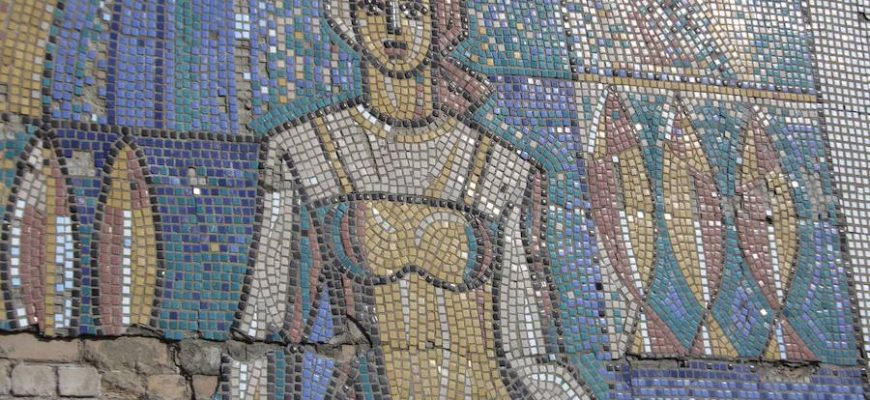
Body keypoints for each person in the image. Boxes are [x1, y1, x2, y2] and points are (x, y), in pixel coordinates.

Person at [234, 0, 591, 398]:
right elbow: (265, 318)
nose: (394, 26)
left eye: (413, 11)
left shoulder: (499, 165)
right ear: (349, 20)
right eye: (374, 8)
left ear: (441, 22)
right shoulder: (304, 149)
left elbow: (526, 348)